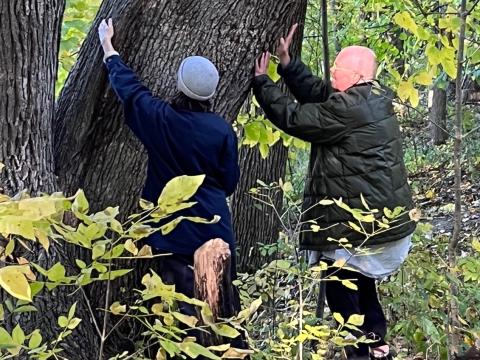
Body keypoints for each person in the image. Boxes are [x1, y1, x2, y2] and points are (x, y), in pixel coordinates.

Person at [253, 24, 416, 360]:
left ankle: (357, 352)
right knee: (362, 279)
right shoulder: (372, 98)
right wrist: (287, 64)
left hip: (352, 228)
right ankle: (376, 345)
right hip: (376, 225)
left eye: (337, 68)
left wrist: (262, 83)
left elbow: (296, 117)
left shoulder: (347, 110)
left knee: (340, 289)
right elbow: (321, 94)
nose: (331, 72)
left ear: (354, 76)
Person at [98, 18, 242, 349]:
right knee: (220, 316)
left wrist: (109, 48)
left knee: (175, 322)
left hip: (171, 233)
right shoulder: (221, 131)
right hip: (215, 232)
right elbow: (229, 182)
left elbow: (130, 90)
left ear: (178, 83)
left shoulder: (161, 120)